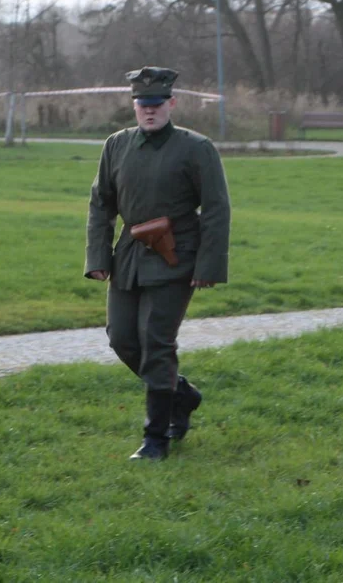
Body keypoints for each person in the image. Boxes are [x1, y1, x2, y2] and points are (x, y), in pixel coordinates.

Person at [85, 65, 231, 461]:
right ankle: (181, 396)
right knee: (122, 338)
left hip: (176, 255)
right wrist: (98, 256)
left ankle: (156, 438)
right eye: (142, 104)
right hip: (129, 256)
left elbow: (216, 208)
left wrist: (207, 266)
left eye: (157, 103)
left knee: (156, 342)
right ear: (133, 105)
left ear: (172, 103)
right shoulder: (116, 145)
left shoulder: (196, 148)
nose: (149, 111)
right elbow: (102, 204)